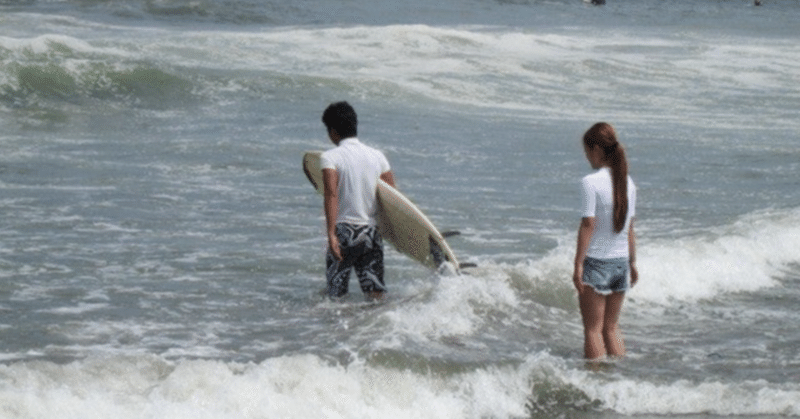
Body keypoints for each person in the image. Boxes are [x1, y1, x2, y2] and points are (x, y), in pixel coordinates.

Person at [572, 122, 638, 360]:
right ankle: (618, 380)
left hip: (597, 262)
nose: (588, 157)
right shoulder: (627, 183)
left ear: (597, 150)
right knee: (611, 328)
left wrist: (578, 264)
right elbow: (630, 228)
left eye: (587, 152)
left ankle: (596, 382)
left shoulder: (590, 182)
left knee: (592, 330)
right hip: (621, 261)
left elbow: (588, 224)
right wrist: (632, 264)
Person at [319, 101, 396, 300]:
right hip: (371, 233)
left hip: (344, 232)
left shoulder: (330, 157)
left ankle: (341, 331)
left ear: (333, 131)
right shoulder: (377, 156)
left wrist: (331, 235)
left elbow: (330, 193)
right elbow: (393, 197)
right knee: (375, 295)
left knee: (336, 297)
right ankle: (376, 329)